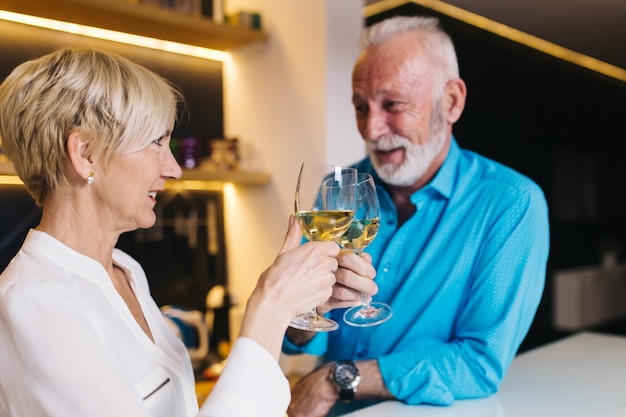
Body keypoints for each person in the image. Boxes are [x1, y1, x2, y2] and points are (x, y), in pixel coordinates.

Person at [0, 46, 345, 417]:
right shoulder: (34, 302)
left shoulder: (125, 270)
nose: (174, 169)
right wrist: (269, 306)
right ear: (85, 154)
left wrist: (296, 303)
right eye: (156, 143)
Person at [283, 15, 550, 416]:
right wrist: (309, 308)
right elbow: (300, 337)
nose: (372, 129)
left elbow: (480, 363)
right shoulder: (337, 195)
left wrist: (337, 379)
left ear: (452, 101)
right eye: (361, 107)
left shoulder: (511, 204)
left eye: (393, 105)